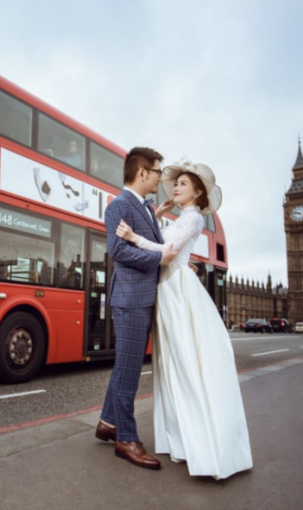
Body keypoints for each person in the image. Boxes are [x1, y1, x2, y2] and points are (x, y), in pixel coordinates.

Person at [115, 161, 252, 480]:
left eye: (183, 184)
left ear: (198, 193)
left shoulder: (193, 218)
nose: (175, 187)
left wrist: (133, 237)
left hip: (177, 291)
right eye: (175, 183)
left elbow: (167, 251)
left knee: (185, 361)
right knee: (171, 364)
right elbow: (163, 241)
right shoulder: (179, 217)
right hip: (167, 289)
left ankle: (201, 443)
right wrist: (158, 215)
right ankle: (182, 439)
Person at [95, 147, 176, 470]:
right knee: (128, 371)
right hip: (130, 300)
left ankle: (108, 422)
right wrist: (159, 258)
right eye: (158, 171)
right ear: (142, 172)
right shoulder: (118, 206)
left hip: (140, 298)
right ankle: (126, 440)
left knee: (125, 367)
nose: (160, 178)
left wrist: (157, 217)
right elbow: (118, 251)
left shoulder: (143, 207)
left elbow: (145, 239)